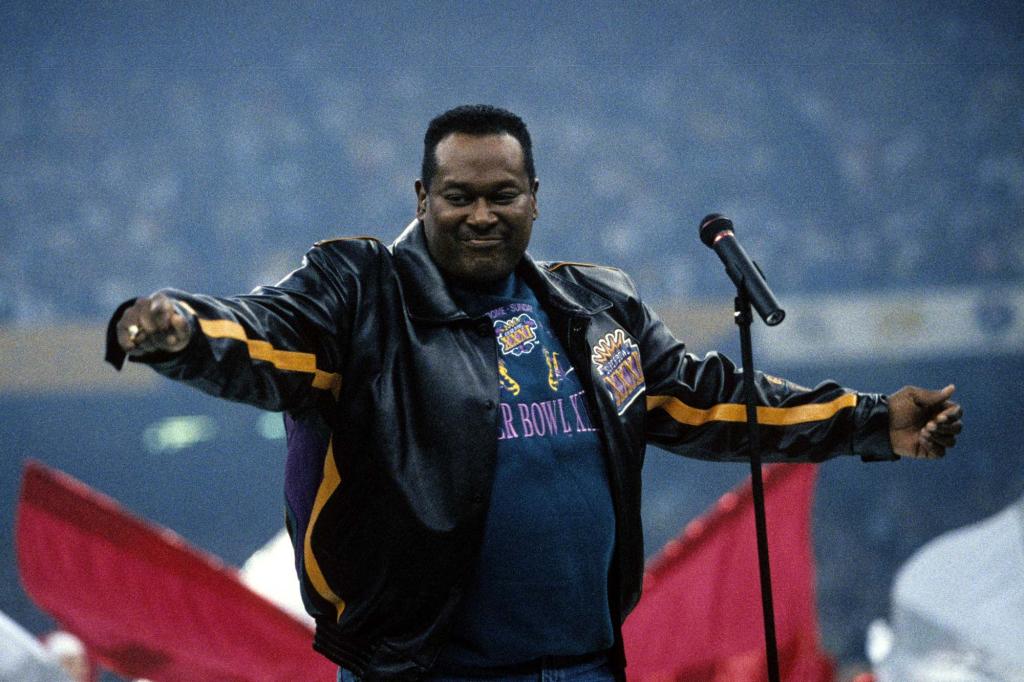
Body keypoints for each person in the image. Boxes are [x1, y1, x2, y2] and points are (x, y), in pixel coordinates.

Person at [105, 104, 963, 681]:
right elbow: (267, 338)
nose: (482, 215)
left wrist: (873, 421)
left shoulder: (595, 309)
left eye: (502, 195)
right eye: (459, 197)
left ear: (536, 200)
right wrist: (185, 331)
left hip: (586, 663)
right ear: (421, 197)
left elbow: (705, 399)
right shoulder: (364, 298)